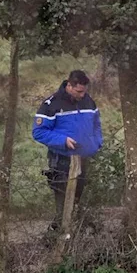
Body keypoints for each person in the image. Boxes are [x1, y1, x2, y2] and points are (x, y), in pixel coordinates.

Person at [31, 70, 103, 233]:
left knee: (77, 200)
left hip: (83, 158)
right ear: (69, 85)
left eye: (84, 91)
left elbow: (96, 123)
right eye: (78, 91)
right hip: (62, 160)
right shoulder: (52, 104)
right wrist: (63, 141)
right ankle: (56, 238)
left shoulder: (88, 101)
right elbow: (39, 132)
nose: (82, 95)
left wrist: (97, 143)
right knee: (64, 205)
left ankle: (74, 235)